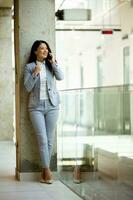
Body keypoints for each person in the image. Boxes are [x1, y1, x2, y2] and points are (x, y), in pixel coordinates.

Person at [24, 40, 64, 184]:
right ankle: (47, 170)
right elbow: (27, 88)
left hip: (53, 106)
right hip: (36, 107)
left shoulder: (51, 65)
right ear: (35, 51)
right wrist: (35, 72)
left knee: (49, 139)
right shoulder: (29, 67)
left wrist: (53, 62)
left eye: (46, 48)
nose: (45, 50)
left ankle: (44, 171)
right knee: (42, 139)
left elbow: (61, 77)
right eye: (42, 48)